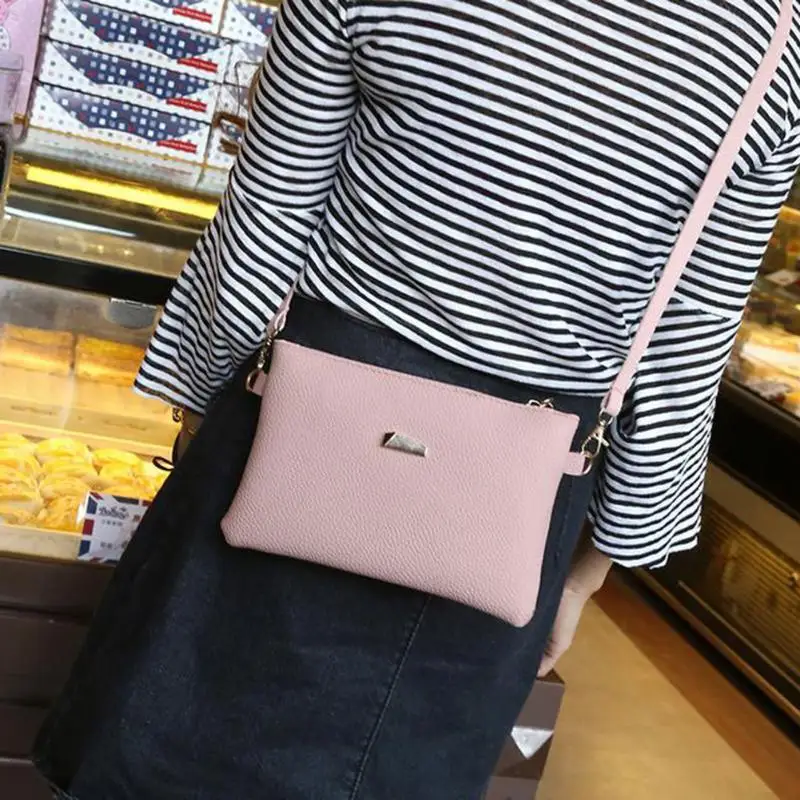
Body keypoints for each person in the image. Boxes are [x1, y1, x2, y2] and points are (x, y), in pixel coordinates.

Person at [35, 1, 799, 798]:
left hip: (293, 424)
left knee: (164, 753)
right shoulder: (768, 38)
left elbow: (265, 218)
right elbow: (689, 343)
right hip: (514, 498)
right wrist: (593, 569)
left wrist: (201, 416)